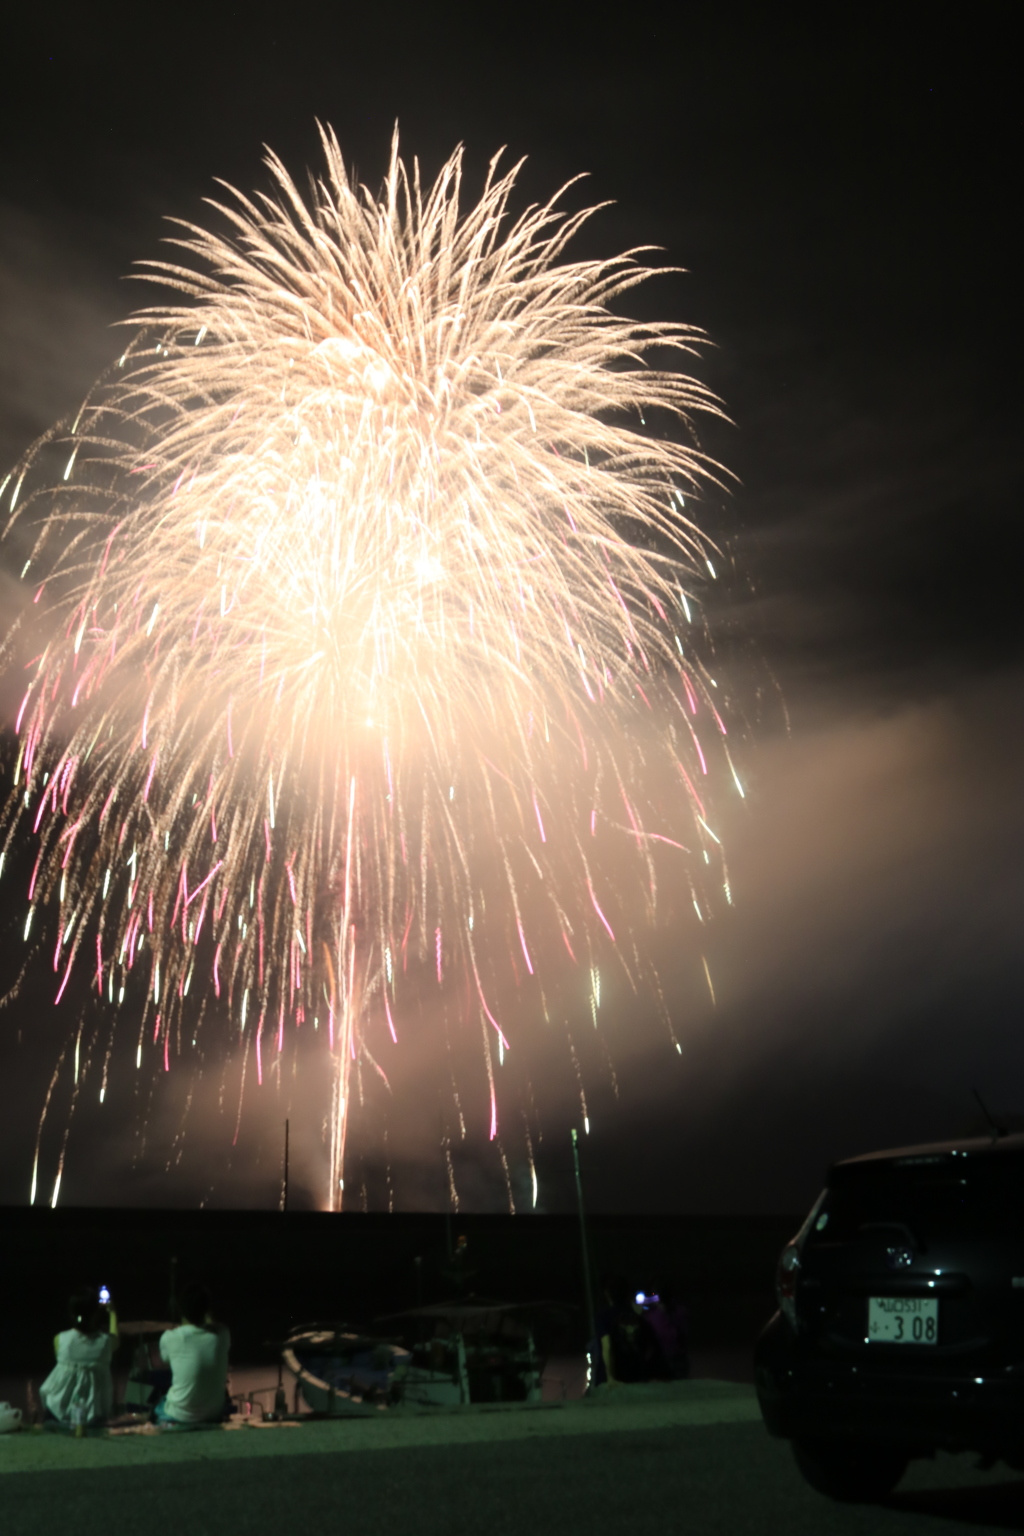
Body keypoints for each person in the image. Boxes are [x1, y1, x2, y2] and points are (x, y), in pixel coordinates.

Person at [40, 1286, 119, 1426]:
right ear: (96, 1312)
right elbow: (115, 1339)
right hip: (93, 1414)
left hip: (57, 1411)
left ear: (71, 1313)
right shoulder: (106, 1342)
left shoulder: (60, 1339)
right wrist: (112, 1313)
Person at [155, 1281, 230, 1425]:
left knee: (159, 1403)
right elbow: (216, 1325)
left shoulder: (170, 1338)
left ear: (181, 1310)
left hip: (179, 1415)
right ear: (207, 1310)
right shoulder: (223, 1335)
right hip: (214, 1413)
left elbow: (165, 1360)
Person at [594, 1275, 656, 1387]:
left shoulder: (603, 1317)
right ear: (627, 1294)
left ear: (607, 1294)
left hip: (612, 1379)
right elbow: (648, 1348)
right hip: (635, 1376)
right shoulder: (638, 1317)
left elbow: (607, 1345)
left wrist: (610, 1378)